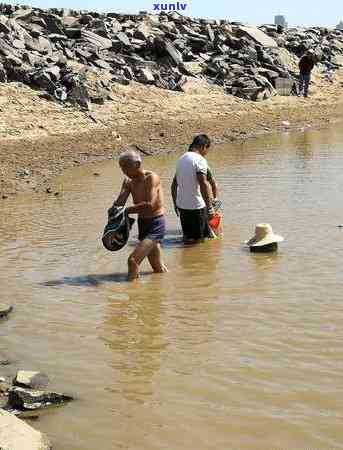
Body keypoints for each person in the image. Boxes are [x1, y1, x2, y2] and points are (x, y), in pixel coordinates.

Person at [111, 150, 168, 281]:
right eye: (121, 167)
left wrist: (125, 211)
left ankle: (133, 296)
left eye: (125, 166)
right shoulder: (129, 181)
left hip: (156, 224)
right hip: (143, 223)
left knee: (133, 261)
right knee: (158, 268)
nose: (123, 170)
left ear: (137, 164)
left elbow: (150, 205)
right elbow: (119, 204)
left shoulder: (151, 178)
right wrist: (119, 201)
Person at [171, 134, 215, 243]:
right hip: (196, 208)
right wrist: (209, 208)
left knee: (188, 239)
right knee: (201, 242)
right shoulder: (199, 160)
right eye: (206, 150)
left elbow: (173, 185)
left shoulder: (180, 159)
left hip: (182, 206)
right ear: (203, 146)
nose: (205, 154)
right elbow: (203, 183)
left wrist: (175, 204)